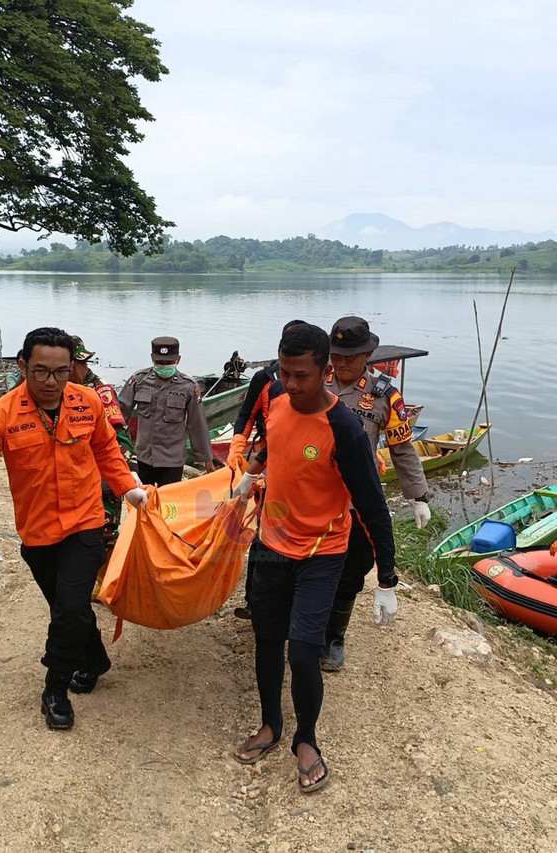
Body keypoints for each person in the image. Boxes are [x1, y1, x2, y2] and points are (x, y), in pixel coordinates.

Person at [232, 323, 398, 793]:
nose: (291, 384)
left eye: (301, 375)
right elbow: (268, 439)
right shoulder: (279, 402)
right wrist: (251, 473)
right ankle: (271, 724)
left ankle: (305, 739)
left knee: (303, 653)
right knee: (267, 641)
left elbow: (371, 505)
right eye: (284, 372)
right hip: (271, 546)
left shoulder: (342, 427)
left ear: (325, 371)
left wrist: (387, 578)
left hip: (321, 554)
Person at [0, 327, 147, 731]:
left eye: (62, 372)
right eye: (40, 371)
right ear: (23, 365)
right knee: (66, 607)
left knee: (71, 606)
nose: (51, 382)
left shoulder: (88, 401)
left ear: (72, 368)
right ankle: (95, 659)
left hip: (85, 523)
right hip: (38, 532)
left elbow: (107, 450)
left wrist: (128, 488)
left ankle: (54, 689)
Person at [320, 315, 430, 672]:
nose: (341, 363)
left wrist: (418, 496)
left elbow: (401, 449)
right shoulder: (315, 381)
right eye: (336, 355)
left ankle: (334, 638)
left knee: (352, 569)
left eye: (349, 356)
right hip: (311, 493)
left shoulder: (384, 394)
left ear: (368, 354)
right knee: (307, 563)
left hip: (355, 498)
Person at [227, 319, 307, 619]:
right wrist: (237, 450)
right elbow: (246, 415)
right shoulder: (265, 378)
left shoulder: (319, 377)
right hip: (267, 465)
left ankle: (295, 599)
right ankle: (255, 601)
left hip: (306, 465)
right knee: (264, 534)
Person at [70, 335, 134, 597]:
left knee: (105, 531)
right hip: (75, 476)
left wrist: (115, 474)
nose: (80, 368)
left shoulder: (100, 392)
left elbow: (120, 437)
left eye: (80, 364)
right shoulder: (60, 392)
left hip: (102, 474)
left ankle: (107, 582)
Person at [118, 336, 214, 487]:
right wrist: (119, 445)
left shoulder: (188, 387)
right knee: (143, 501)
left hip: (172, 461)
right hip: (144, 457)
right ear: (152, 358)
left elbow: (197, 424)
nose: (164, 366)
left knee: (169, 504)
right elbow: (119, 413)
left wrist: (207, 459)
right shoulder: (139, 380)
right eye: (159, 362)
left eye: (168, 362)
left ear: (178, 359)